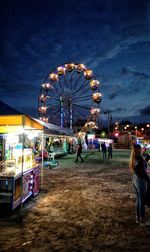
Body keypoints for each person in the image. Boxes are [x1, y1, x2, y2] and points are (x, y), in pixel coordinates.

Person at [129, 144, 150, 226]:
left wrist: (148, 158)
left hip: (135, 180)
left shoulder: (135, 158)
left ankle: (138, 218)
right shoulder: (139, 160)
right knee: (142, 201)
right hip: (141, 181)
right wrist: (149, 181)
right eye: (141, 149)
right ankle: (142, 220)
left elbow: (142, 166)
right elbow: (144, 172)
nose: (142, 150)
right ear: (139, 150)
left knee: (139, 200)